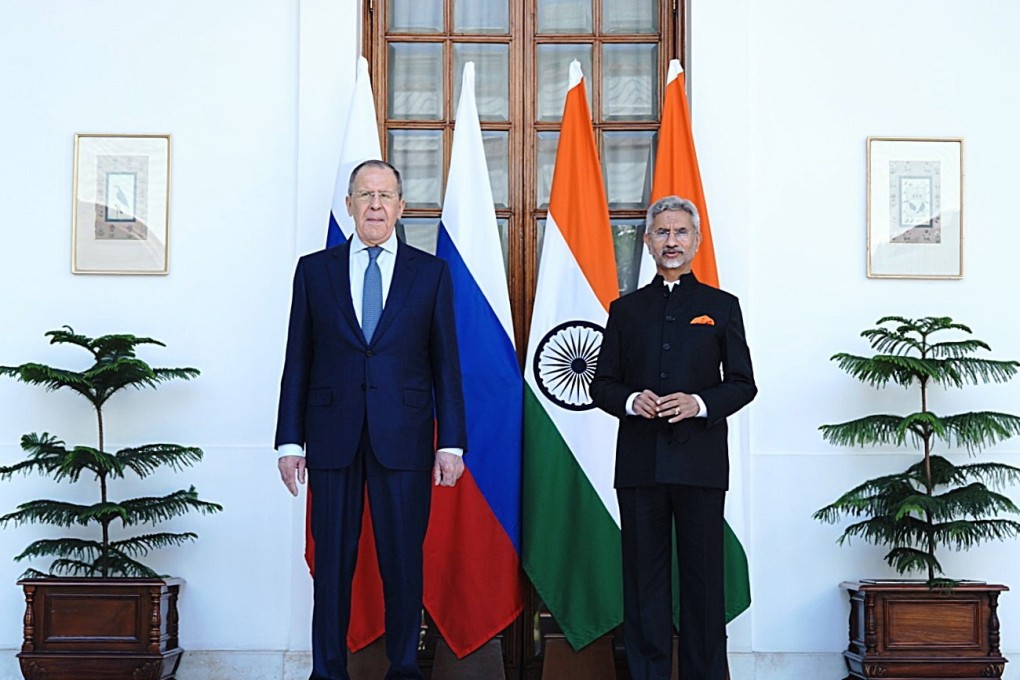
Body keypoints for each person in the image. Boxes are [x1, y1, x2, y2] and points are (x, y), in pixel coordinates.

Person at [275, 160, 467, 680]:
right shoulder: (314, 271)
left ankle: (404, 667)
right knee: (332, 565)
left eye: (386, 196)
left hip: (403, 439)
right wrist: (289, 441)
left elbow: (445, 364)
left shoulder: (430, 274)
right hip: (332, 437)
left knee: (403, 562)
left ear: (402, 208)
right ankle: (328, 671)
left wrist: (451, 442)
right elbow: (299, 359)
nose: (376, 205)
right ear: (350, 206)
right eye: (366, 195)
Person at [590, 195, 756, 680]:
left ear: (697, 242)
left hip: (701, 466)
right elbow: (602, 383)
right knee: (645, 583)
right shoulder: (626, 309)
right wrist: (629, 400)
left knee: (704, 584)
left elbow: (743, 383)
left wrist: (699, 404)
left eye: (681, 232)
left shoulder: (721, 307)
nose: (671, 241)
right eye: (661, 232)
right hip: (640, 466)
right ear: (647, 241)